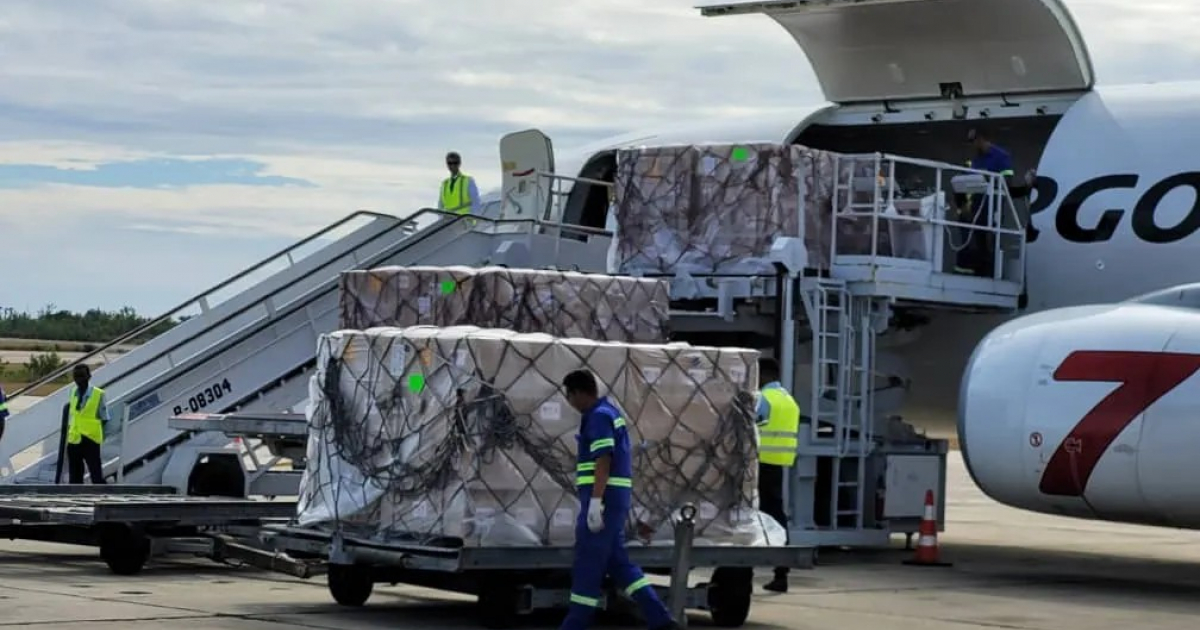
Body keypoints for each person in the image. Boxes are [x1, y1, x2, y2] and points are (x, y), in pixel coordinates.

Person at [559, 369, 679, 630]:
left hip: (603, 500)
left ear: (578, 393)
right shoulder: (608, 413)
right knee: (621, 565)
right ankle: (661, 620)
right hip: (612, 500)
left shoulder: (599, 417)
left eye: (569, 396)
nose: (569, 403)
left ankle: (575, 624)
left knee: (588, 564)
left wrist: (594, 503)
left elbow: (604, 459)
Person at [755, 356, 801, 593]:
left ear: (764, 375)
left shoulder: (764, 399)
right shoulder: (789, 400)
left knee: (749, 516)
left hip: (758, 464)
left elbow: (747, 425)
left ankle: (742, 570)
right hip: (778, 465)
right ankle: (781, 571)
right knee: (777, 515)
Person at [956, 128, 1015, 277]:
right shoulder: (976, 159)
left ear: (981, 139)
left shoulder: (1000, 156)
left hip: (993, 205)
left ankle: (992, 272)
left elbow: (1008, 180)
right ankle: (979, 270)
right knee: (978, 238)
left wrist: (989, 181)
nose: (972, 146)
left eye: (973, 142)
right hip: (976, 205)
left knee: (992, 239)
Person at [63, 364, 107, 484]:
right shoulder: (73, 392)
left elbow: (104, 418)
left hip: (90, 439)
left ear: (89, 376)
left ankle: (100, 497)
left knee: (96, 474)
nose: (79, 379)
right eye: (76, 376)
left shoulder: (98, 394)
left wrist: (96, 434)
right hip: (74, 438)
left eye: (82, 376)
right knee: (75, 477)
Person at [437, 151, 481, 215]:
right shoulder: (444, 184)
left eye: (455, 163)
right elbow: (440, 205)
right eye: (450, 163)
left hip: (463, 220)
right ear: (447, 165)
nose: (452, 165)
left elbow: (476, 202)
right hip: (448, 221)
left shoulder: (468, 181)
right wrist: (441, 219)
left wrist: (473, 221)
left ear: (459, 164)